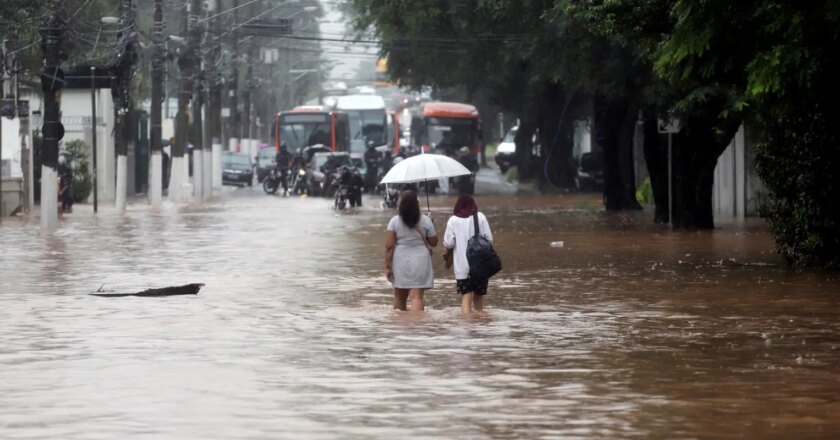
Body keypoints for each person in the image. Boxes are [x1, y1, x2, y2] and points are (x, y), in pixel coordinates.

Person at [385, 190, 437, 312]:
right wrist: (432, 224)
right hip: (421, 260)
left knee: (399, 296)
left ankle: (399, 327)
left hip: (400, 260)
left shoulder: (394, 221)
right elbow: (433, 242)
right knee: (417, 297)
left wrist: (387, 267)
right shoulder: (425, 220)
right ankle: (417, 327)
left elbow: (389, 247)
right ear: (417, 204)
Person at [443, 194, 493, 315]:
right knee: (478, 297)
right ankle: (479, 325)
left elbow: (448, 243)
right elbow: (489, 240)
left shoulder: (453, 220)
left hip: (462, 267)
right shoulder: (480, 217)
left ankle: (466, 326)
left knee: (466, 296)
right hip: (480, 266)